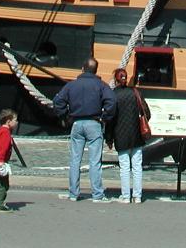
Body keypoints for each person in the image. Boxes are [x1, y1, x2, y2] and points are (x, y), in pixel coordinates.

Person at [53, 57, 116, 202]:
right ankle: (97, 194)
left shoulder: (71, 85)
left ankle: (73, 193)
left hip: (76, 122)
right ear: (96, 70)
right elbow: (111, 101)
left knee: (75, 160)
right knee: (95, 161)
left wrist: (65, 115)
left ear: (82, 68)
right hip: (94, 122)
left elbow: (58, 101)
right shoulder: (101, 85)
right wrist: (105, 117)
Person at [106, 68, 152, 203]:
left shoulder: (113, 95)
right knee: (137, 166)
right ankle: (137, 196)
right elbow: (147, 113)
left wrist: (109, 138)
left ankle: (126, 196)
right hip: (136, 134)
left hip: (120, 135)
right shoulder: (136, 93)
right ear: (126, 78)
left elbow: (110, 119)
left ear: (116, 79)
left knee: (124, 167)